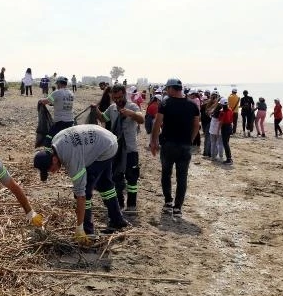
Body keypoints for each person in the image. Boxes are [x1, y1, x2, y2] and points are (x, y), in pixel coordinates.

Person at [33, 125, 128, 243]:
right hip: (105, 139)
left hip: (106, 147)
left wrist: (78, 228)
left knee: (85, 190)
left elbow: (81, 196)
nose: (52, 172)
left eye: (50, 169)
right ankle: (117, 220)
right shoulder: (55, 142)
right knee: (105, 185)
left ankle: (87, 232)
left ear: (54, 159)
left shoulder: (72, 159)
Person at [150, 78, 200, 219]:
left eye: (167, 88)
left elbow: (157, 122)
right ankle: (177, 208)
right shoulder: (192, 105)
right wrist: (190, 140)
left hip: (168, 145)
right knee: (182, 177)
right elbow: (197, 125)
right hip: (185, 146)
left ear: (172, 88)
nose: (166, 91)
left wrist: (153, 141)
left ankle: (168, 202)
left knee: (166, 174)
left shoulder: (165, 103)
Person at [96, 84, 144, 212]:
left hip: (130, 149)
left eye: (119, 97)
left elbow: (141, 119)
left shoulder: (132, 106)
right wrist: (95, 110)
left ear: (124, 94)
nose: (117, 100)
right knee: (117, 177)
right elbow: (103, 118)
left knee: (132, 178)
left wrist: (131, 114)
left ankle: (132, 205)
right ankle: (120, 205)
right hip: (115, 150)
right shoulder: (112, 108)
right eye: (114, 97)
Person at [39, 77, 74, 146]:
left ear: (59, 83)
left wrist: (40, 100)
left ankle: (49, 153)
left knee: (50, 137)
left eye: (57, 83)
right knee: (65, 138)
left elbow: (46, 101)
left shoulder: (57, 93)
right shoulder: (71, 93)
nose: (57, 85)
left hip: (60, 121)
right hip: (70, 121)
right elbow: (60, 102)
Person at [219, 97, 234, 164]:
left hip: (225, 127)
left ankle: (229, 159)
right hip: (230, 126)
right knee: (226, 143)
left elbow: (221, 122)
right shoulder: (230, 110)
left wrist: (218, 130)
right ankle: (229, 158)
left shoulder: (222, 112)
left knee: (225, 144)